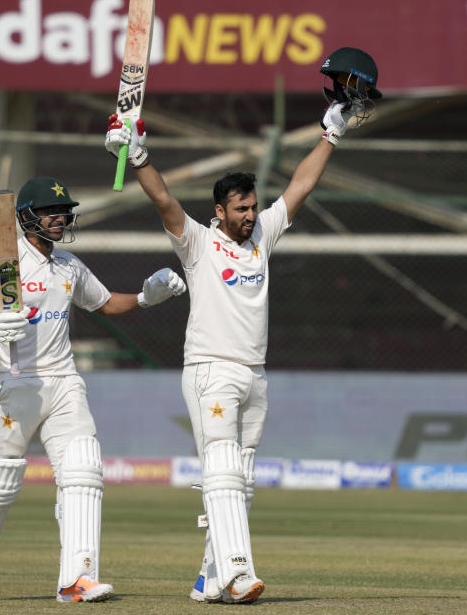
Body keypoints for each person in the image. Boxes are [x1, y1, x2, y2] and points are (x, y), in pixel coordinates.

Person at [104, 47, 381, 604]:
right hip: (210, 372)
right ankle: (237, 572)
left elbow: (299, 188)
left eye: (254, 207)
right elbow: (162, 201)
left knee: (242, 481)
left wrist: (332, 133)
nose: (252, 215)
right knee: (224, 472)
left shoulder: (262, 240)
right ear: (220, 212)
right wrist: (136, 155)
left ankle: (208, 579)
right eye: (241, 209)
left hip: (254, 374)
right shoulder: (200, 244)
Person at [0, 176, 187, 603]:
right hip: (15, 383)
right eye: (48, 212)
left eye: (62, 211)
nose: (59, 218)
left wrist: (148, 298)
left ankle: (77, 578)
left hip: (64, 381)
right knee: (0, 480)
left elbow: (106, 303)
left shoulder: (69, 266)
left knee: (83, 471)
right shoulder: (5, 264)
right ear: (24, 218)